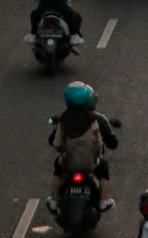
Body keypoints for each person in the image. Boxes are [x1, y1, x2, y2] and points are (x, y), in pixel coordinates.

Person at [48, 78, 116, 210]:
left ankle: (54, 201)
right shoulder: (94, 119)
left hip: (69, 162)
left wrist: (64, 152)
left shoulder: (63, 119)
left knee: (58, 167)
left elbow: (55, 143)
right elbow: (99, 143)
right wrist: (95, 154)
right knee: (104, 167)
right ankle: (103, 201)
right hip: (90, 163)